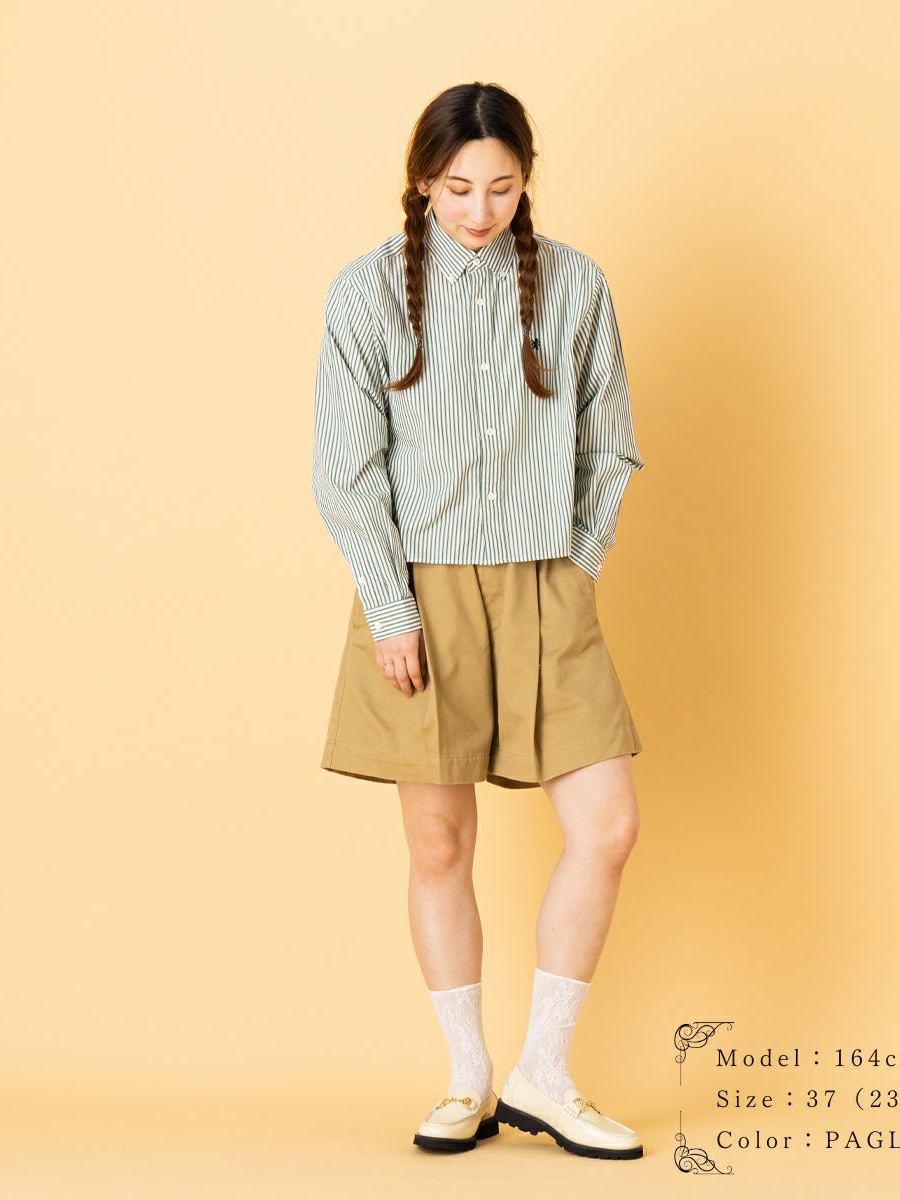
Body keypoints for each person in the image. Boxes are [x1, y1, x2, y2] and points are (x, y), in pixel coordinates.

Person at [311, 82, 646, 1161]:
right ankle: (467, 1079)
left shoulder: (576, 284)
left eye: (501, 187)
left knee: (607, 825)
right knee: (439, 840)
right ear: (423, 180)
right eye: (458, 188)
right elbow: (346, 474)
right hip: (421, 589)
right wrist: (391, 609)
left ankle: (544, 1073)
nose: (479, 210)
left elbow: (612, 446)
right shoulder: (367, 291)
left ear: (526, 180)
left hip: (547, 582)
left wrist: (576, 570)